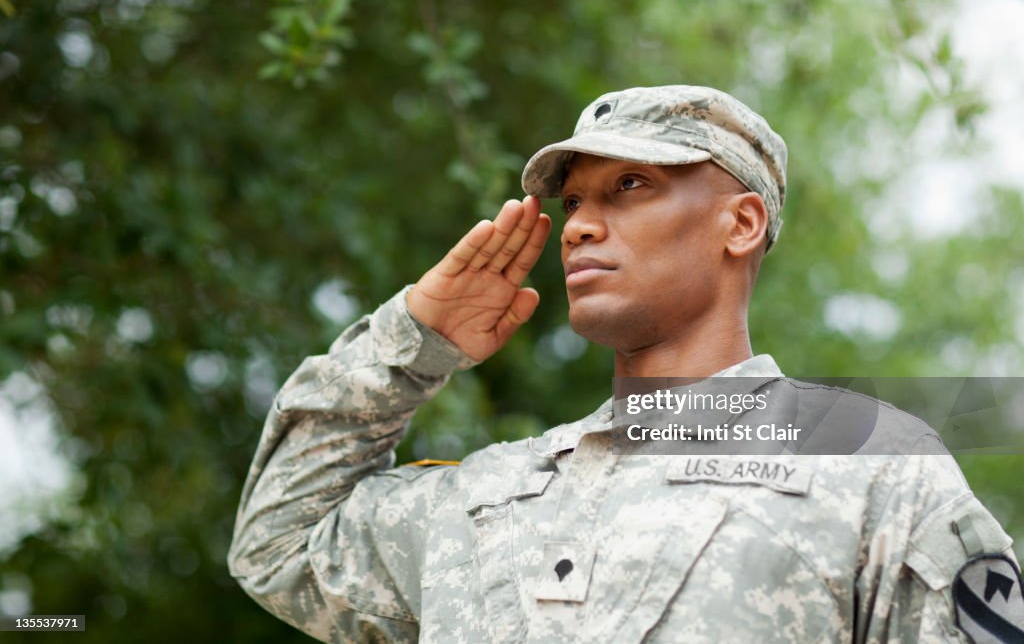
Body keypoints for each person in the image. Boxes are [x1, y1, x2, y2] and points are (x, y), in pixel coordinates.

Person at [228, 85, 1022, 643]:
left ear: (740, 223)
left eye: (631, 186)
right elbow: (277, 545)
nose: (578, 229)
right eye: (575, 203)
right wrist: (411, 343)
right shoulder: (486, 495)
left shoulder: (874, 468)